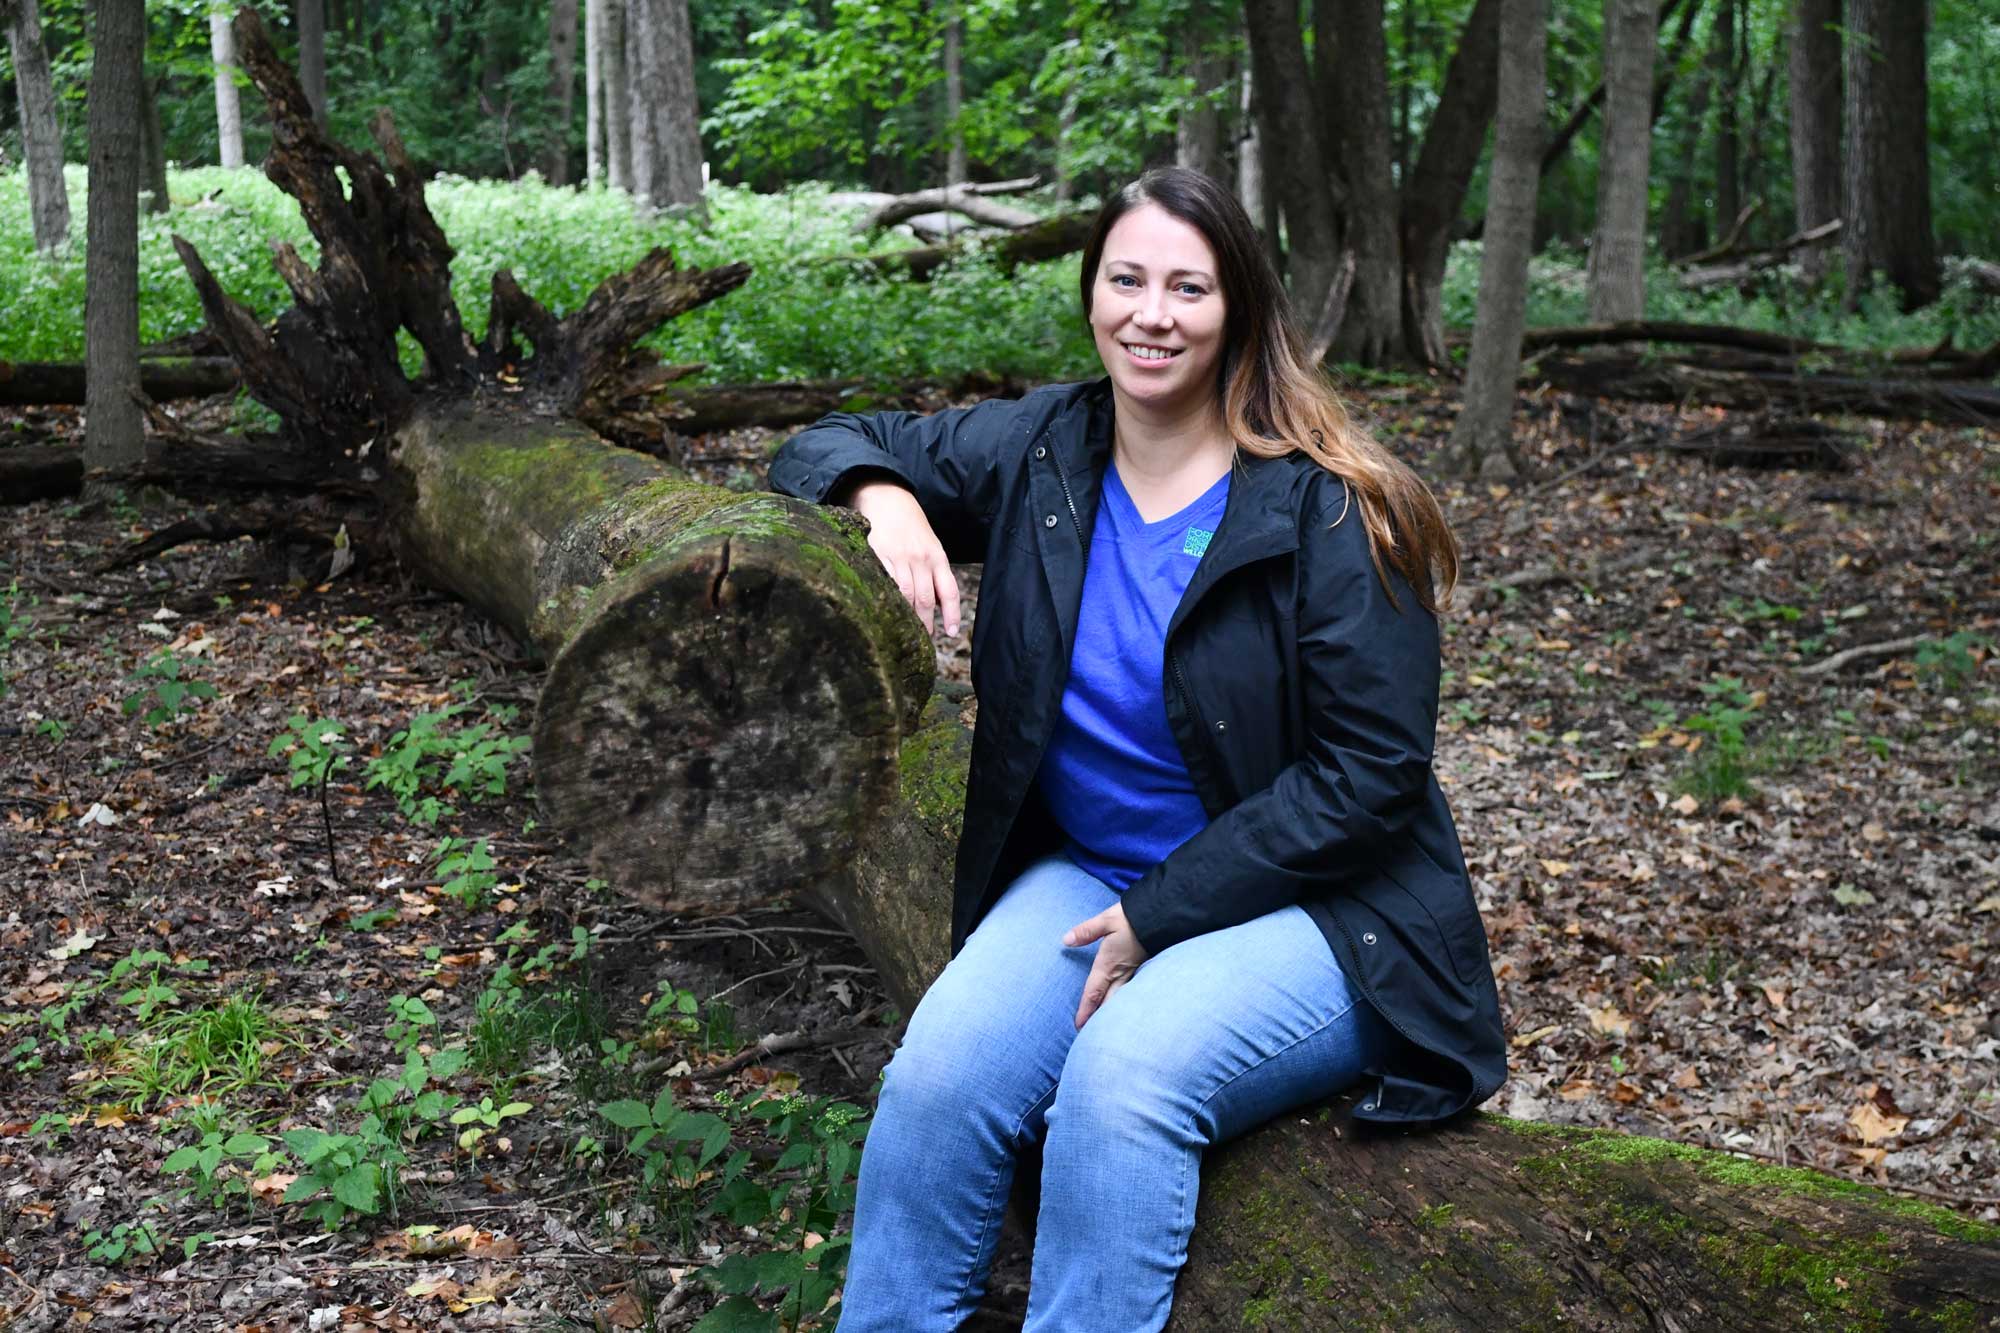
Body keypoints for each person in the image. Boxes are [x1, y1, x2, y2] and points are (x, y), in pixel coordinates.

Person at [765, 166, 1507, 1332]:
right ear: (1090, 291)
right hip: (1092, 872)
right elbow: (829, 439)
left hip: (1321, 911)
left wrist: (1164, 912)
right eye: (1125, 279)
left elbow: (1370, 779)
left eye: (1186, 287)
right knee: (938, 1080)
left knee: (1118, 1087)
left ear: (1238, 311)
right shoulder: (1045, 448)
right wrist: (885, 494)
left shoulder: (1336, 508)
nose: (1148, 313)